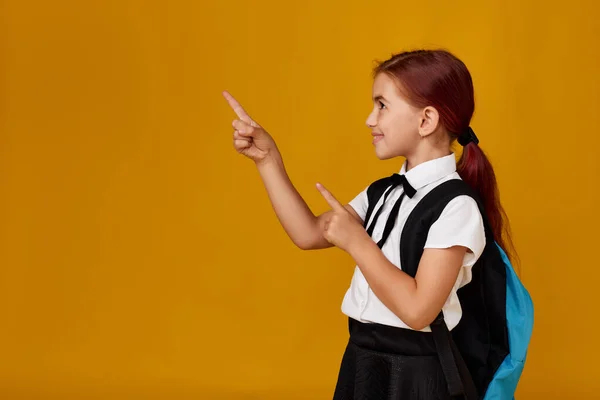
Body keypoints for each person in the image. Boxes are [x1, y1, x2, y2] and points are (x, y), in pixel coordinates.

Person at [223, 49, 516, 399]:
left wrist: (358, 243)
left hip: (419, 374)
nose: (369, 119)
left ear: (426, 120)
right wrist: (268, 159)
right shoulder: (383, 193)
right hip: (362, 361)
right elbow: (308, 233)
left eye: (382, 105)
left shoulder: (457, 207)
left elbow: (419, 310)